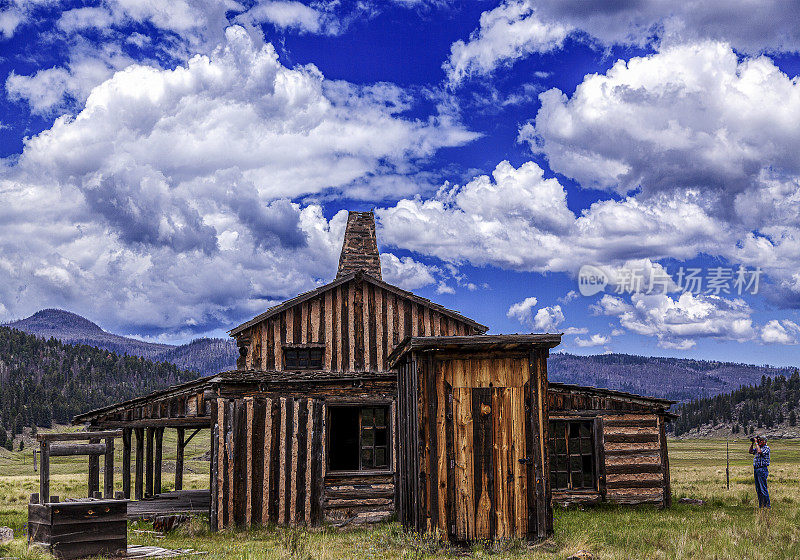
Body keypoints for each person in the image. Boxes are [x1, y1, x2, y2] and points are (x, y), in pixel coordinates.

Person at [749, 435, 771, 508]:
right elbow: (750, 451)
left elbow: (759, 452)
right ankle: (761, 505)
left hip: (762, 469)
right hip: (756, 469)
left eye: (760, 440)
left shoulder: (766, 448)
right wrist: (752, 443)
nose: (759, 442)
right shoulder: (758, 447)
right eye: (759, 440)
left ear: (765, 442)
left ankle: (767, 505)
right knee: (758, 489)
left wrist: (756, 443)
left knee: (763, 488)